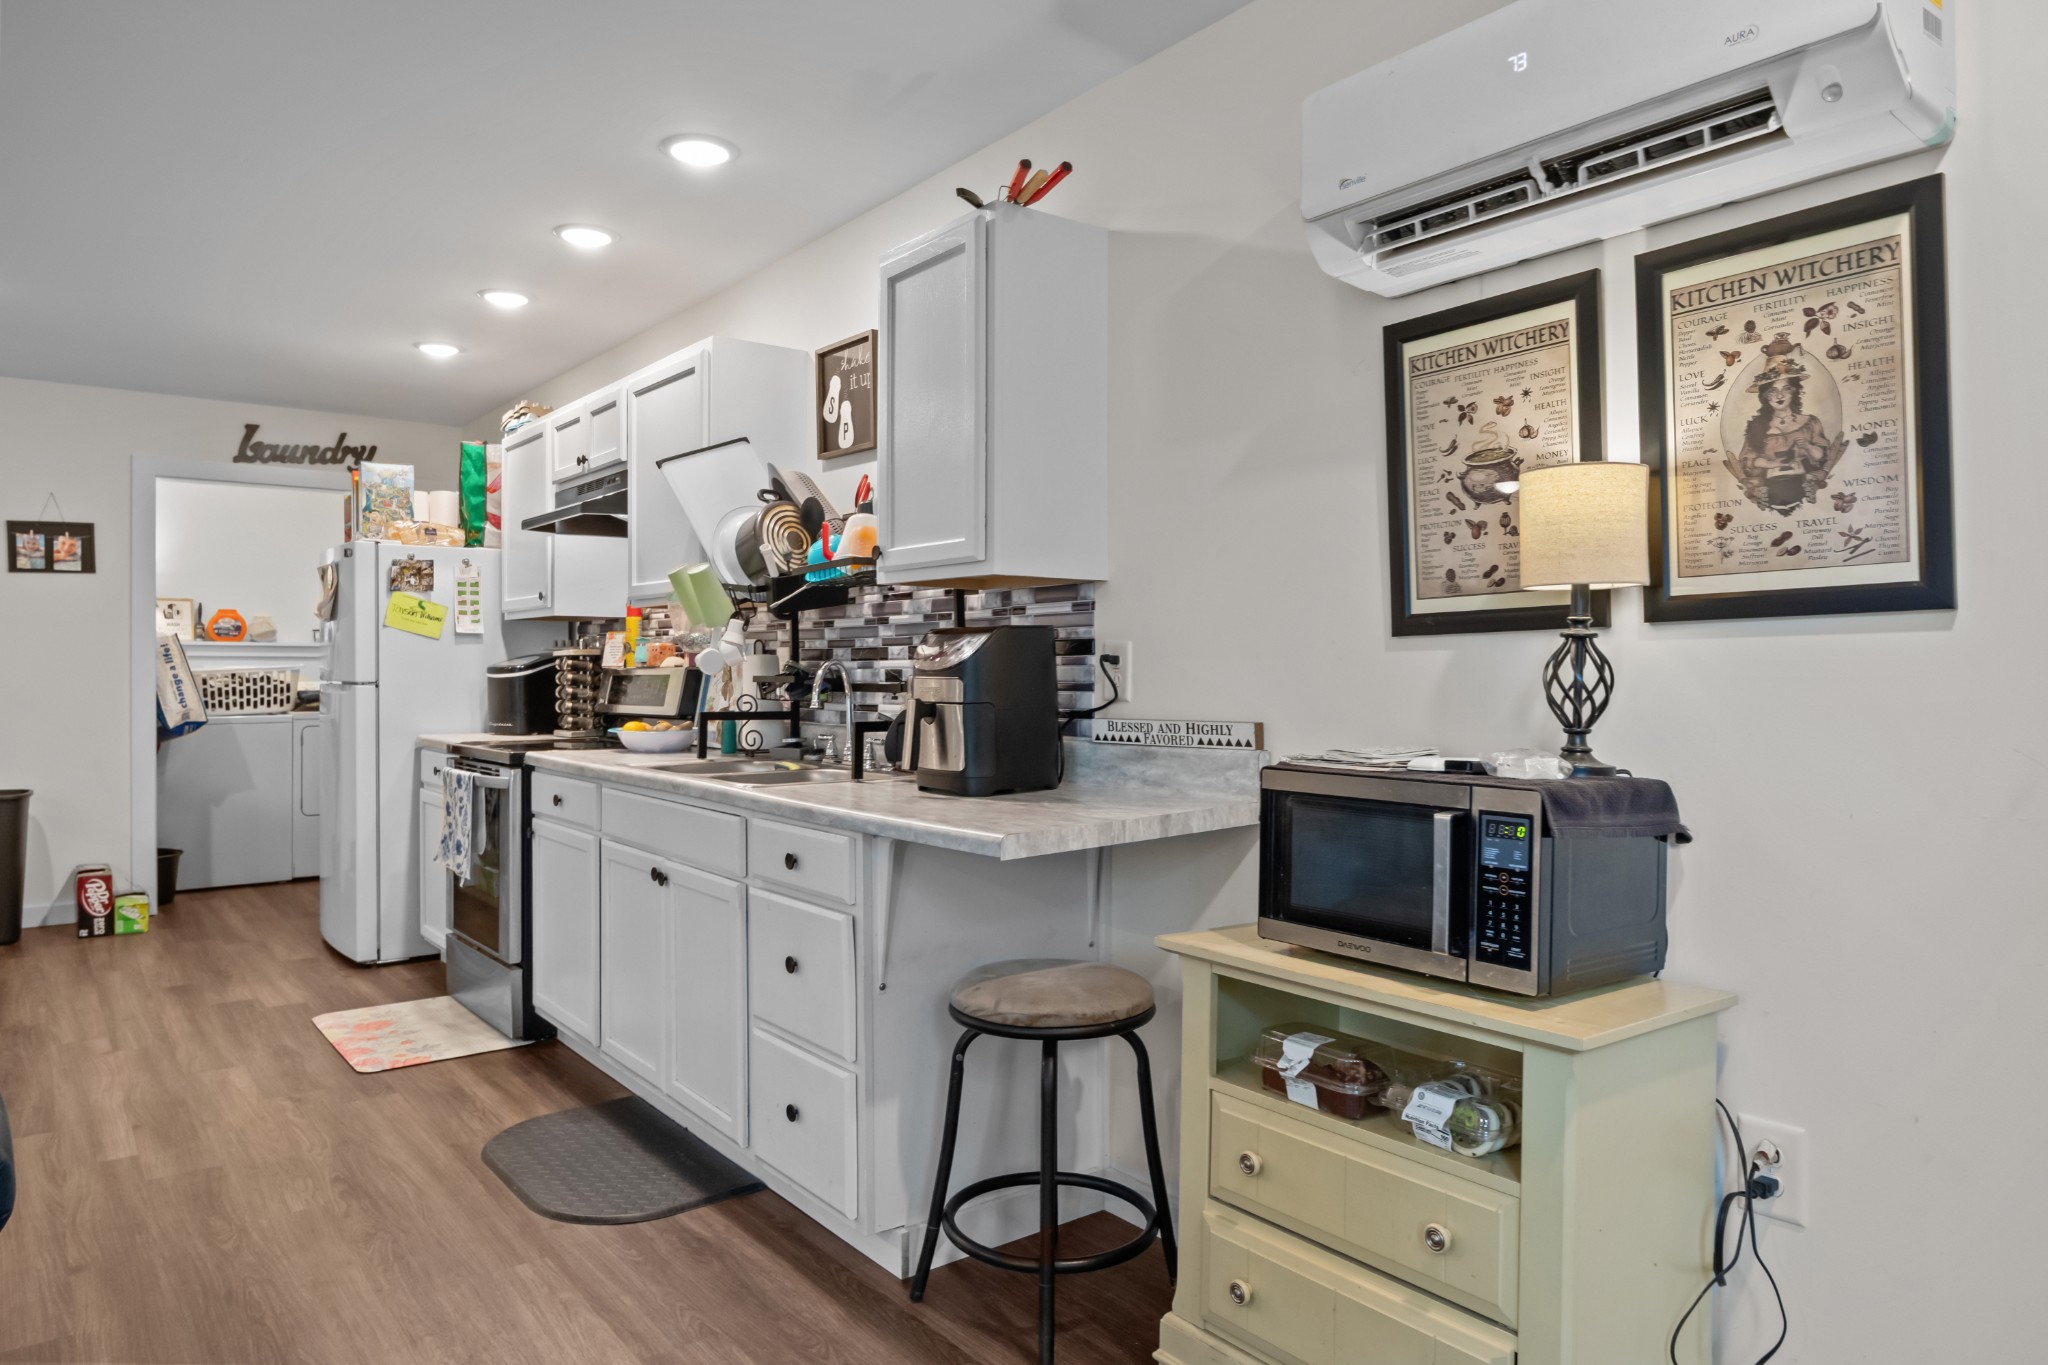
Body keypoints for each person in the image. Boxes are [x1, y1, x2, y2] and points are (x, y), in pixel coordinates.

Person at [1726, 359, 1847, 515]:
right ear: (1765, 396)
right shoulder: (1757, 427)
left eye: (1786, 389)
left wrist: (1808, 447)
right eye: (1772, 391)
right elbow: (1747, 461)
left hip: (1804, 485)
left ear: (1794, 391)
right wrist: (1770, 464)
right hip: (1771, 486)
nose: (1779, 395)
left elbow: (1823, 457)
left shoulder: (1810, 423)